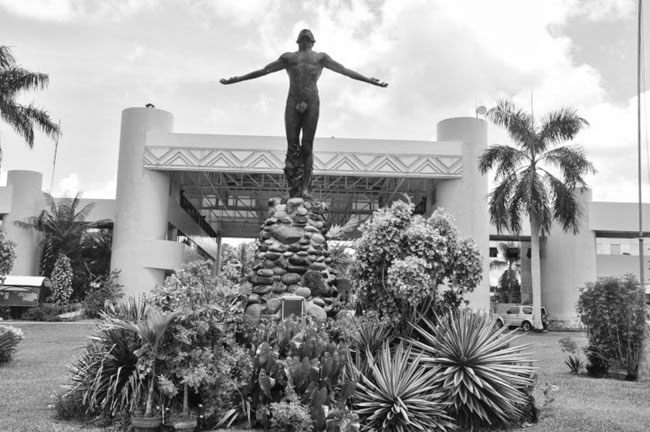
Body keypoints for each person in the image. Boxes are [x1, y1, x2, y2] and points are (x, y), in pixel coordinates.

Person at [221, 29, 388, 198]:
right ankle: (293, 190)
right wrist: (237, 79)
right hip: (293, 102)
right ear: (299, 42)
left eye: (307, 38)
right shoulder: (289, 58)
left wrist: (368, 80)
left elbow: (344, 70)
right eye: (303, 38)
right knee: (292, 147)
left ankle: (305, 189)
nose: (305, 39)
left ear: (312, 42)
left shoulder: (320, 58)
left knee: (307, 146)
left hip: (311, 102)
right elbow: (264, 70)